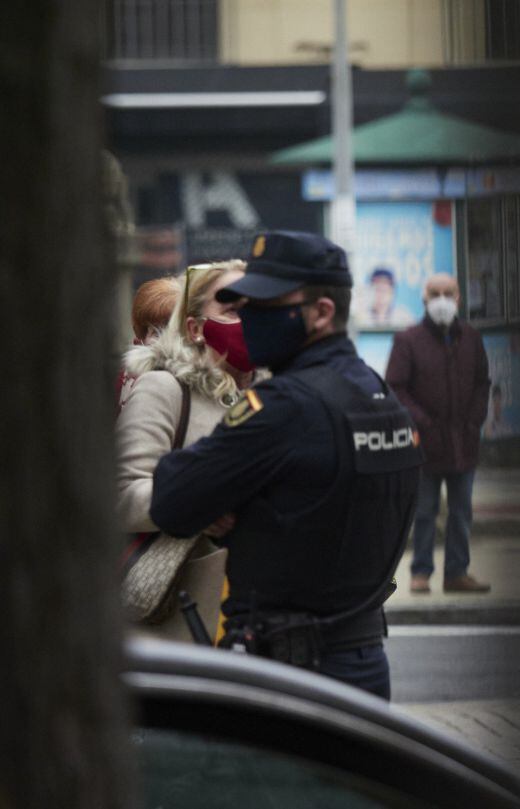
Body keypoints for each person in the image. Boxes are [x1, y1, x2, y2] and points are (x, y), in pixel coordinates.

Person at [150, 231, 422, 699]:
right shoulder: (374, 393)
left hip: (290, 677)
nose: (251, 317)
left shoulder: (284, 406)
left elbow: (172, 498)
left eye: (268, 304)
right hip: (363, 662)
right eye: (243, 303)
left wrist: (233, 504)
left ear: (321, 312)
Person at [116, 261, 253, 640]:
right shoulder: (165, 388)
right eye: (232, 309)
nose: (248, 320)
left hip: (257, 615)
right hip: (184, 616)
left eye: (256, 307)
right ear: (194, 328)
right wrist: (198, 502)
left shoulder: (271, 392)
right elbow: (121, 495)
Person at [385, 273, 492, 594]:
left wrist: (474, 421)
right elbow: (396, 387)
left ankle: (457, 573)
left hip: (463, 442)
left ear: (459, 298)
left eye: (448, 293)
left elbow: (482, 384)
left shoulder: (471, 338)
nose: (442, 299)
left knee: (461, 513)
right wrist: (422, 423)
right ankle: (420, 573)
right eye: (435, 293)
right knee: (424, 511)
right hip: (425, 445)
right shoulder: (408, 340)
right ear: (424, 299)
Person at [117, 275, 183, 411]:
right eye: (157, 333)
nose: (166, 340)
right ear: (143, 336)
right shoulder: (122, 380)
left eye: (173, 331)